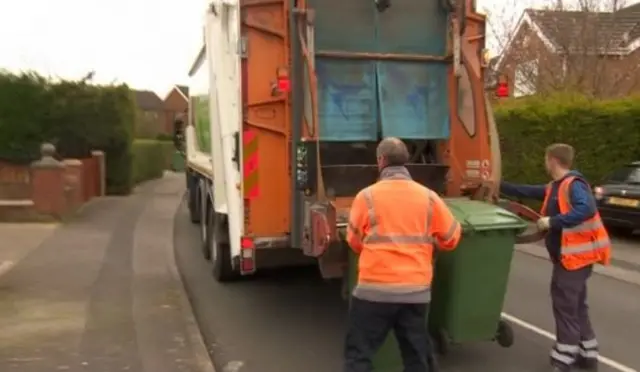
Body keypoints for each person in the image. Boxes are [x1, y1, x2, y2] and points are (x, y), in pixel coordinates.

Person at [343, 137, 462, 372]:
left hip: (373, 292)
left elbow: (353, 241)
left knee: (359, 355)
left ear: (380, 161)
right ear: (406, 161)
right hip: (414, 292)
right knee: (417, 356)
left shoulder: (366, 197)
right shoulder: (429, 197)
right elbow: (451, 238)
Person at [500, 143, 611, 372]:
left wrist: (553, 221)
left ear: (552, 160)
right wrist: (499, 185)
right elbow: (528, 191)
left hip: (573, 260)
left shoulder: (573, 185)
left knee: (565, 307)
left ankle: (564, 359)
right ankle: (588, 353)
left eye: (545, 158)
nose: (544, 162)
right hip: (577, 259)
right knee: (577, 306)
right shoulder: (557, 186)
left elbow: (586, 208)